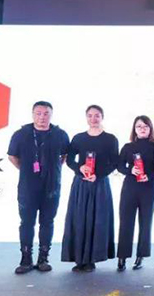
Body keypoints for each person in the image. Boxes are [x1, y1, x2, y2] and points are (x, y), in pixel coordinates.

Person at [7, 101, 70, 274]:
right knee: (27, 222)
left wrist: (52, 170)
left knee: (47, 222)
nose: (42, 117)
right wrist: (26, 170)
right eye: (38, 113)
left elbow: (64, 156)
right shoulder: (21, 134)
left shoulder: (60, 134)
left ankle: (43, 258)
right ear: (33, 114)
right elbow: (12, 156)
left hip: (51, 186)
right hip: (28, 186)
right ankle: (26, 259)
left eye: (46, 113)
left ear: (51, 114)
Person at [61, 105, 119, 272]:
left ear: (102, 117)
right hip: (81, 184)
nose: (93, 119)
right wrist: (80, 168)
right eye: (90, 115)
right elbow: (70, 160)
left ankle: (91, 259)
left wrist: (98, 175)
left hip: (100, 184)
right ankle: (79, 258)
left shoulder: (110, 139)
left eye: (97, 115)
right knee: (79, 219)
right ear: (86, 117)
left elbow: (114, 163)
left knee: (97, 220)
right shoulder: (78, 138)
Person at [115, 115, 154, 271]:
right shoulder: (128, 147)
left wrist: (150, 174)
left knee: (146, 222)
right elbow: (119, 166)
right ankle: (122, 256)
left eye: (145, 126)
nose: (142, 129)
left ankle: (141, 255)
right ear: (134, 129)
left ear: (150, 129)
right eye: (139, 126)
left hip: (149, 187)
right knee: (126, 221)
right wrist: (130, 170)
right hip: (130, 187)